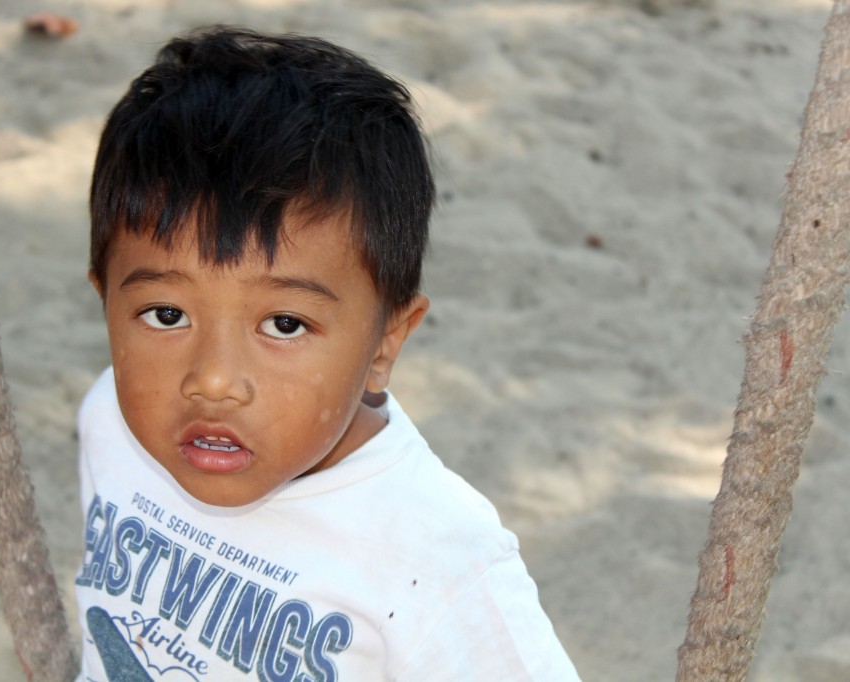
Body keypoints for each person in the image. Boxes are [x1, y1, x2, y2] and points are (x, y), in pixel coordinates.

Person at [75, 26, 580, 681]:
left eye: (284, 324)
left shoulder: (433, 556)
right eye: (166, 315)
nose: (215, 380)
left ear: (385, 344)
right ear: (106, 302)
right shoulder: (108, 423)